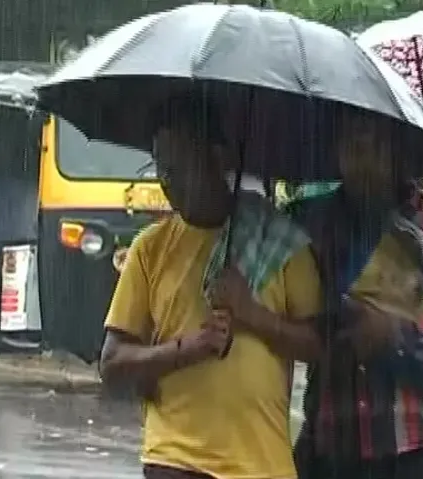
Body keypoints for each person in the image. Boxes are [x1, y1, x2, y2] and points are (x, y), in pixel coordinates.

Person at [98, 96, 323, 479]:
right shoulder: (149, 249)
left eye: (178, 166)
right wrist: (187, 349)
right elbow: (113, 363)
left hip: (261, 465)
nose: (167, 182)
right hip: (175, 458)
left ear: (218, 159)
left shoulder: (280, 243)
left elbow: (320, 345)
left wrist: (252, 315)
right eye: (160, 168)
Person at [292, 108, 423, 479]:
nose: (359, 159)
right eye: (350, 144)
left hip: (413, 451)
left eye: (371, 144)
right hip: (330, 448)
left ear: (396, 149)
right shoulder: (313, 222)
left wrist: (397, 336)